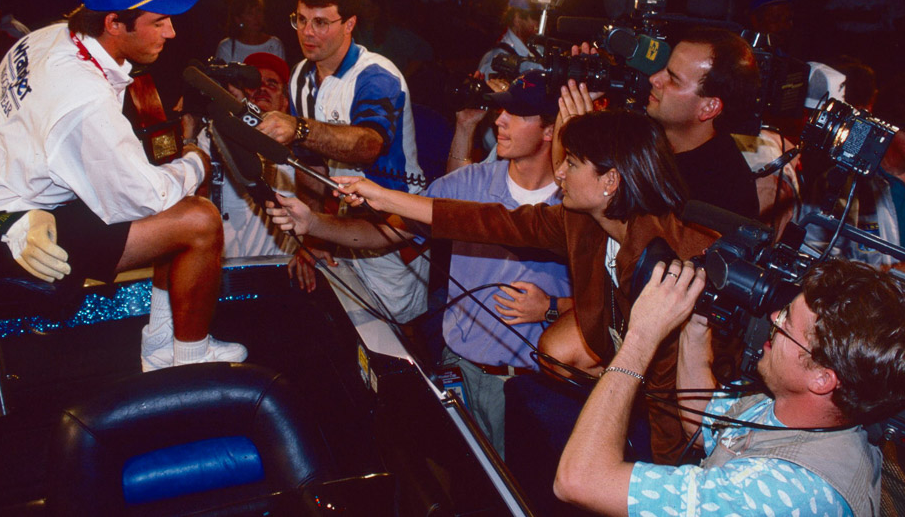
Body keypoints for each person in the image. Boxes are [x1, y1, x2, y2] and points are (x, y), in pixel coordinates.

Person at [278, 109, 717, 464]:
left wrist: (663, 480)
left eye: (572, 163)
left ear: (610, 182)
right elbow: (488, 221)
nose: (561, 172)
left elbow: (671, 397)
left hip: (697, 423)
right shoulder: (584, 224)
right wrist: (382, 196)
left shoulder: (669, 261)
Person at [0, 0, 247, 372]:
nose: (171, 32)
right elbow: (147, 199)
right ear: (114, 23)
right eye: (158, 21)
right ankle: (190, 362)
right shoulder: (82, 98)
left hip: (5, 193)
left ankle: (160, 342)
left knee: (174, 189)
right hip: (5, 228)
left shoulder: (49, 36)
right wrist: (197, 159)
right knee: (199, 220)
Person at [554, 258, 905, 517]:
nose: (774, 317)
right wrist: (696, 324)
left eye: (787, 323)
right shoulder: (797, 409)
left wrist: (641, 337)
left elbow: (578, 480)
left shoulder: (789, 491)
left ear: (822, 378)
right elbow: (707, 422)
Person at [257, 0, 427, 323]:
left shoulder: (376, 75)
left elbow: (368, 144)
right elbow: (311, 165)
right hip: (341, 225)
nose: (307, 32)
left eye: (321, 22)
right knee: (350, 332)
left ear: (349, 23)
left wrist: (300, 128)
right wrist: (312, 238)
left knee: (400, 334)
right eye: (301, 20)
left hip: (392, 228)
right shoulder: (301, 75)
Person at [809, 72, 905, 282]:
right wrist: (887, 276)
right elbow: (812, 262)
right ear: (890, 130)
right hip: (865, 302)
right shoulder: (843, 182)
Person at [645, 28, 761, 220]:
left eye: (673, 79)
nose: (654, 79)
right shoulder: (645, 132)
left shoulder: (720, 194)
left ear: (709, 107)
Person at [193, 51, 298, 260]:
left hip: (275, 265)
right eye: (255, 83)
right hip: (219, 263)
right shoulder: (210, 136)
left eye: (272, 84)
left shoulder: (296, 147)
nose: (262, 88)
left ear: (285, 102)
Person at [213, 0, 285, 63]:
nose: (256, 17)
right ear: (238, 19)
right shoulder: (227, 47)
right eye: (250, 13)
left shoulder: (274, 45)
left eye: (258, 11)